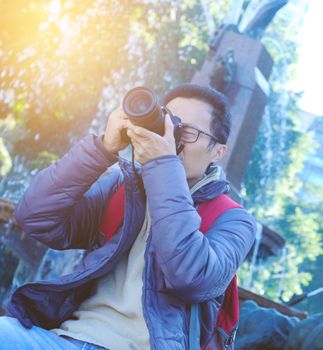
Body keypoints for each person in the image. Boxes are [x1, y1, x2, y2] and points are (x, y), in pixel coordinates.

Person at [0, 84, 257, 349]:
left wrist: (163, 167)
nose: (172, 138)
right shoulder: (122, 188)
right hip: (68, 338)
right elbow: (34, 217)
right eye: (170, 124)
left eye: (187, 132)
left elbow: (191, 277)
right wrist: (102, 150)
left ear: (218, 152)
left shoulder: (235, 221)